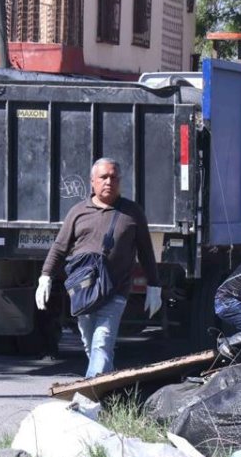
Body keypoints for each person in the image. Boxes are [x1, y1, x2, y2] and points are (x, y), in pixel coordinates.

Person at [35, 158, 163, 378]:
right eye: (103, 177)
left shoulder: (132, 213)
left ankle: (88, 397)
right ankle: (108, 393)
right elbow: (59, 247)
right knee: (90, 344)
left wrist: (154, 285)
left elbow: (146, 251)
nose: (109, 182)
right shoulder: (78, 212)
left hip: (116, 290)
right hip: (83, 291)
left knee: (101, 342)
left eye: (114, 177)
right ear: (92, 181)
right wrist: (45, 276)